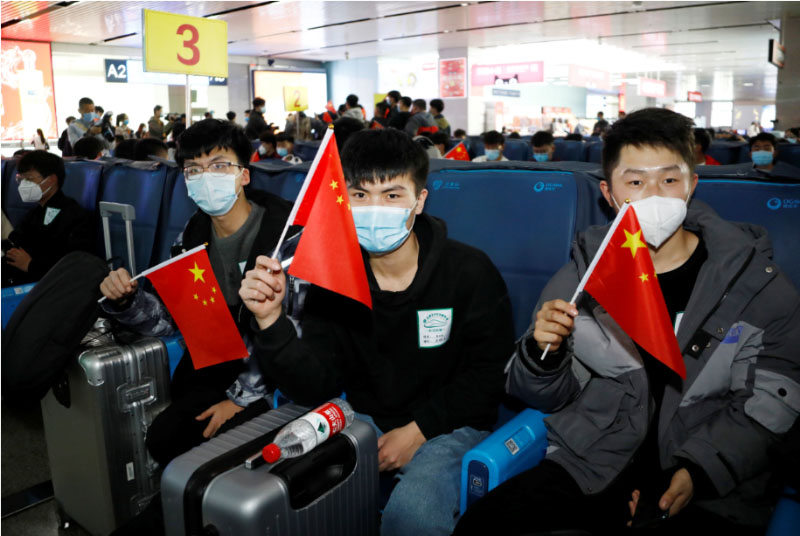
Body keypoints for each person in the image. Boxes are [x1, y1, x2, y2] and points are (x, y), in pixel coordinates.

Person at [454, 108, 800, 535]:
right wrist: (542, 355)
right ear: (610, 193)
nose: (653, 195)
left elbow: (771, 403)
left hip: (711, 479)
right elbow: (541, 395)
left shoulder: (756, 283)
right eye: (635, 182)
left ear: (692, 184)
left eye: (669, 180)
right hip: (596, 462)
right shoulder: (586, 274)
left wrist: (697, 471)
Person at [241, 127, 515, 536]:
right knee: (285, 492)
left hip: (453, 423)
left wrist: (419, 430)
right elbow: (317, 384)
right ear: (343, 202)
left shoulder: (469, 272)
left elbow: (490, 374)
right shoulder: (335, 281)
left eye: (392, 196)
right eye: (360, 195)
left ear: (419, 201)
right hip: (364, 415)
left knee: (413, 516)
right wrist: (270, 321)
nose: (375, 209)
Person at [100, 120, 298, 536]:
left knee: (206, 458)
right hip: (212, 367)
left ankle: (172, 518)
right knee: (163, 438)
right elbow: (171, 321)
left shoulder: (285, 240)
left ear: (244, 174)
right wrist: (127, 301)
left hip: (275, 381)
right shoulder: (190, 239)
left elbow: (294, 329)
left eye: (220, 165)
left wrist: (241, 399)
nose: (206, 178)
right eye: (193, 170)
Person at [2, 151, 93, 287]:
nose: (23, 185)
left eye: (30, 179)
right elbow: (16, 241)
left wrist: (30, 265)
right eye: (21, 179)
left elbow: (73, 265)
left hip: (47, 288)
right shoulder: (35, 213)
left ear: (51, 180)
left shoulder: (75, 216)